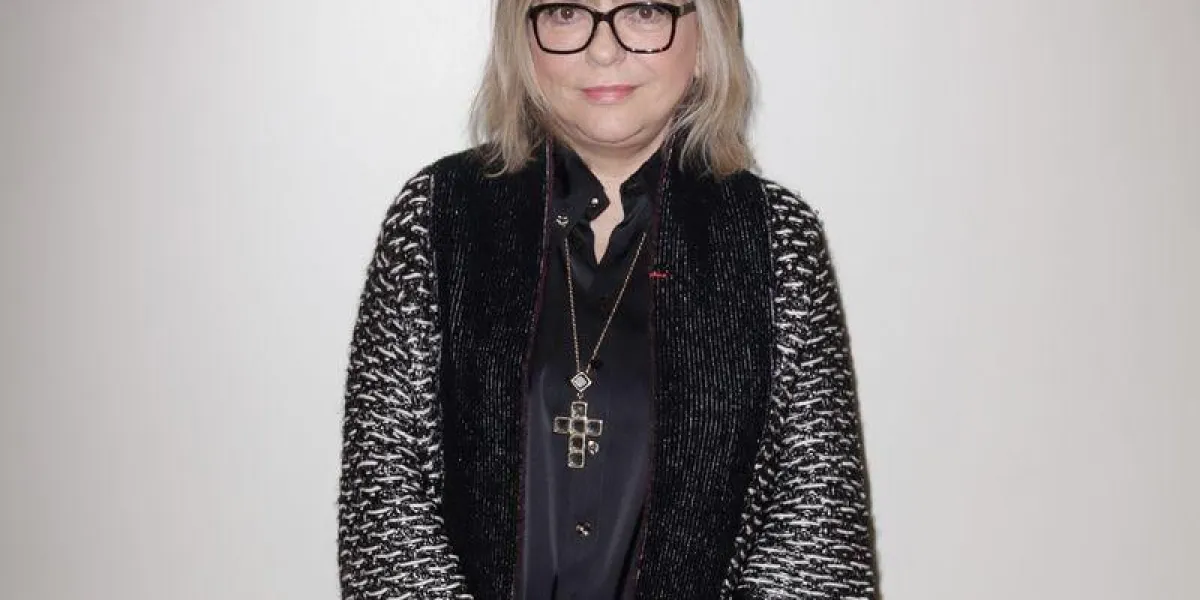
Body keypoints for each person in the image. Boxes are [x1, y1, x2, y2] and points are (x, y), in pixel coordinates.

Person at [337, 1, 880, 598]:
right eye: (566, 12)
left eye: (644, 11)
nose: (603, 49)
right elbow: (384, 503)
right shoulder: (436, 219)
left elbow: (817, 540)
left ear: (704, 38)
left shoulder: (777, 241)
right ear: (523, 41)